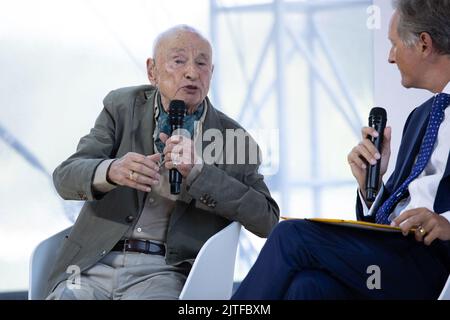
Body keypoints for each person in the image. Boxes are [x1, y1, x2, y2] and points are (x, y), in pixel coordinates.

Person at [232, 0, 450, 300]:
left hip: (433, 263)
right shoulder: (421, 117)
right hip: (391, 257)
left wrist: (448, 223)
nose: (389, 57)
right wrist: (371, 188)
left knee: (291, 236)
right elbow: (398, 210)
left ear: (424, 44)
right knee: (306, 287)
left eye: (394, 44)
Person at [46, 25, 280, 300]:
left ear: (211, 73)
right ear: (152, 71)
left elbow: (267, 220)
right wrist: (111, 171)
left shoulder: (234, 139)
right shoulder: (121, 107)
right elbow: (65, 178)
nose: (192, 72)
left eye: (202, 63)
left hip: (164, 272)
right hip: (90, 266)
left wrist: (200, 174)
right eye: (178, 61)